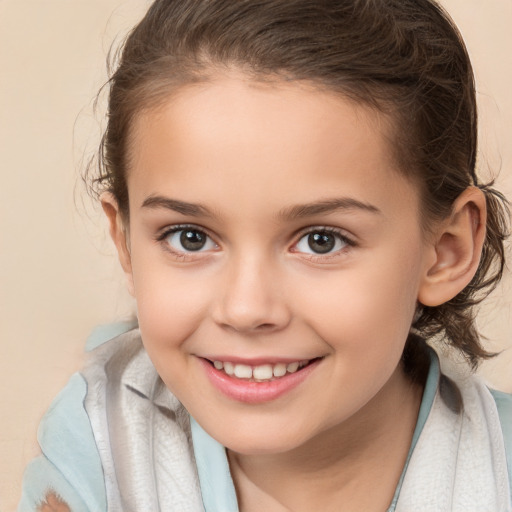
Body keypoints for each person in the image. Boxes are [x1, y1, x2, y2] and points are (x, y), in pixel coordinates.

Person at [18, 0, 511, 511]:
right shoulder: (98, 455)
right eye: (189, 238)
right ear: (125, 242)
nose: (247, 308)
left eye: (322, 240)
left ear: (445, 251)